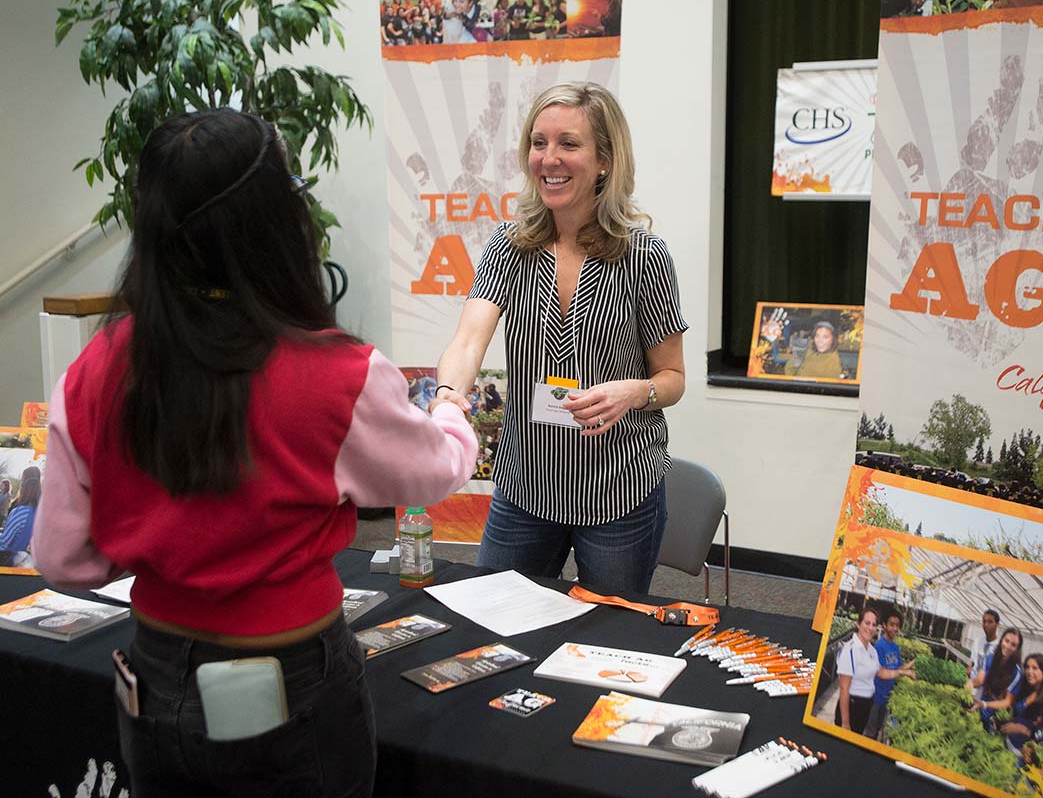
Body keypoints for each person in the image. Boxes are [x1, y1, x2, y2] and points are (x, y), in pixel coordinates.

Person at [32, 108, 477, 797]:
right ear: (276, 220)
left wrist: (162, 535)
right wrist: (450, 408)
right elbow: (436, 469)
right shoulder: (335, 376)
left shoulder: (94, 371)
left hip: (152, 678)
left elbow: (64, 559)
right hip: (290, 682)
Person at [434, 82, 687, 593]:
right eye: (538, 142)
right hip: (525, 486)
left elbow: (673, 378)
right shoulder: (511, 245)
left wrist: (635, 391)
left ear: (605, 161)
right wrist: (447, 396)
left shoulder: (644, 256)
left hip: (618, 490)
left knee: (607, 642)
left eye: (568, 144)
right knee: (492, 626)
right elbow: (468, 341)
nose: (549, 158)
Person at [834, 608, 915, 733]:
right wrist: (845, 723)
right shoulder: (850, 650)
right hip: (853, 706)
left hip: (867, 705)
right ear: (858, 624)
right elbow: (844, 688)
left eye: (873, 625)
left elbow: (881, 672)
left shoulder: (871, 651)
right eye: (867, 623)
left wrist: (904, 672)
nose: (871, 628)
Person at [863, 609, 914, 740]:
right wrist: (904, 672)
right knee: (870, 733)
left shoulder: (895, 647)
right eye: (892, 624)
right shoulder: (879, 646)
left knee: (879, 730)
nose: (895, 628)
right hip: (876, 698)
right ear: (884, 625)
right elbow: (881, 673)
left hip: (888, 698)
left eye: (897, 625)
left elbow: (899, 668)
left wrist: (913, 664)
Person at [969, 627, 1024, 730]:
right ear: (1001, 640)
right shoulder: (990, 657)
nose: (1008, 646)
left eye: (1013, 645)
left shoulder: (1017, 672)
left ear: (1017, 649)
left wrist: (984, 704)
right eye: (1006, 641)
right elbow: (980, 680)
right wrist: (971, 682)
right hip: (981, 707)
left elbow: (1008, 702)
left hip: (997, 717)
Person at [999, 653, 1043, 754]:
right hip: (1008, 743)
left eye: (1035, 668)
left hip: (1024, 753)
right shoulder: (1025, 690)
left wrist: (1021, 730)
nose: (1029, 672)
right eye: (1027, 667)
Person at [0, 467, 41, 566]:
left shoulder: (21, 511)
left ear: (23, 487)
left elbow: (4, 542)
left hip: (11, 560)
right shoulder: (42, 513)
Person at [967, 609, 1001, 700]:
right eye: (984, 621)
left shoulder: (1000, 647)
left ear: (997, 625)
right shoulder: (978, 641)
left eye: (990, 622)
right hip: (971, 690)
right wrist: (969, 668)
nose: (986, 625)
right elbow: (972, 662)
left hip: (986, 694)